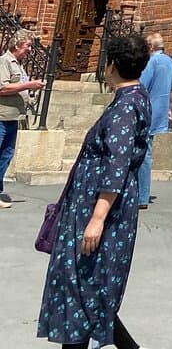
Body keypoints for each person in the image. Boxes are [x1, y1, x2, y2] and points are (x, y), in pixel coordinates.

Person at [37, 33, 151, 348]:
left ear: (112, 65)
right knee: (89, 287)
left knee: (79, 286)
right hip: (94, 205)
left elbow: (117, 164)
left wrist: (97, 218)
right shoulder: (134, 97)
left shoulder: (126, 106)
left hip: (97, 209)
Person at [0, 29, 44, 207]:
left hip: (13, 118)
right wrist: (29, 84)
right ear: (17, 45)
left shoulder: (18, 64)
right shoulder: (5, 61)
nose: (30, 50)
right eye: (28, 46)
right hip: (2, 117)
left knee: (6, 156)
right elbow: (2, 88)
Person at [137, 32, 172, 210]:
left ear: (151, 46)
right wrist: (169, 109)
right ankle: (141, 193)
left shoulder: (151, 61)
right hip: (160, 112)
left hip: (146, 111)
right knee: (146, 150)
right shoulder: (170, 62)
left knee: (141, 152)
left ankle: (141, 196)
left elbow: (141, 86)